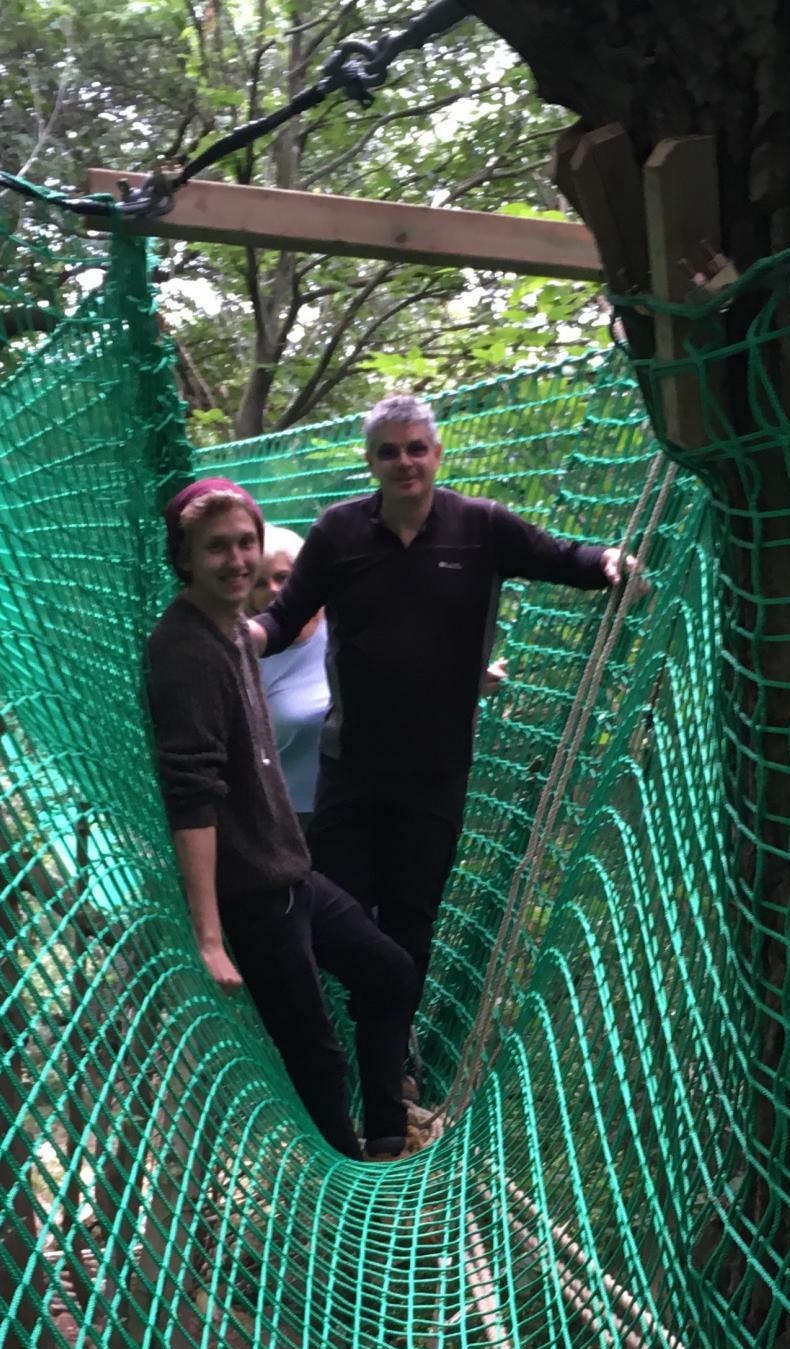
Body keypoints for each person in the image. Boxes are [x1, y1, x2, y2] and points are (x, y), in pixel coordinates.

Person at [252, 393, 641, 994]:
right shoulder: (338, 531)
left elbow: (563, 558)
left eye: (415, 448)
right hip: (351, 765)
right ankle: (345, 1029)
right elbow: (285, 616)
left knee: (412, 922)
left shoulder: (480, 525)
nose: (404, 462)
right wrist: (241, 637)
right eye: (389, 452)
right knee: (339, 917)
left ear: (436, 453)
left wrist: (610, 561)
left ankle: (389, 1062)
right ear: (370, 462)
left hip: (436, 771)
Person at [143, 476, 416, 1159]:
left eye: (245, 544)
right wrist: (209, 938)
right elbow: (191, 795)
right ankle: (350, 1206)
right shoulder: (181, 650)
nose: (237, 561)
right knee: (316, 1061)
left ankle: (388, 1131)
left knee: (388, 972)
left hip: (293, 876)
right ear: (183, 557)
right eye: (217, 549)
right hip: (252, 899)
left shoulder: (234, 628)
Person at [253, 524, 329, 837]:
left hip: (363, 799)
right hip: (287, 819)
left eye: (282, 577)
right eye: (259, 583)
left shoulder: (345, 622)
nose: (273, 589)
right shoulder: (247, 649)